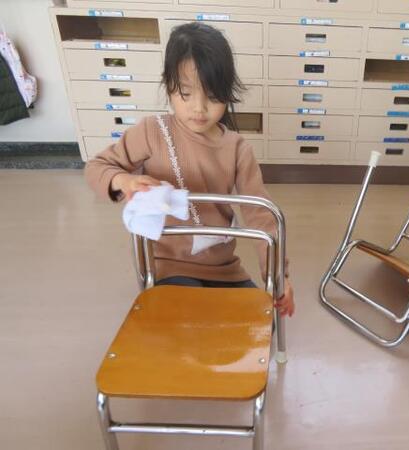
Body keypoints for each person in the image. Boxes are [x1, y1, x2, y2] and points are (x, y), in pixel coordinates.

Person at [85, 22, 294, 316]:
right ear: (168, 86)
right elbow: (97, 167)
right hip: (169, 267)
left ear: (227, 92)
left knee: (257, 320)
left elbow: (261, 215)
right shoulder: (152, 132)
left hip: (223, 268)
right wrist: (123, 180)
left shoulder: (237, 148)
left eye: (212, 96)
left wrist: (278, 276)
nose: (199, 107)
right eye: (186, 92)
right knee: (187, 320)